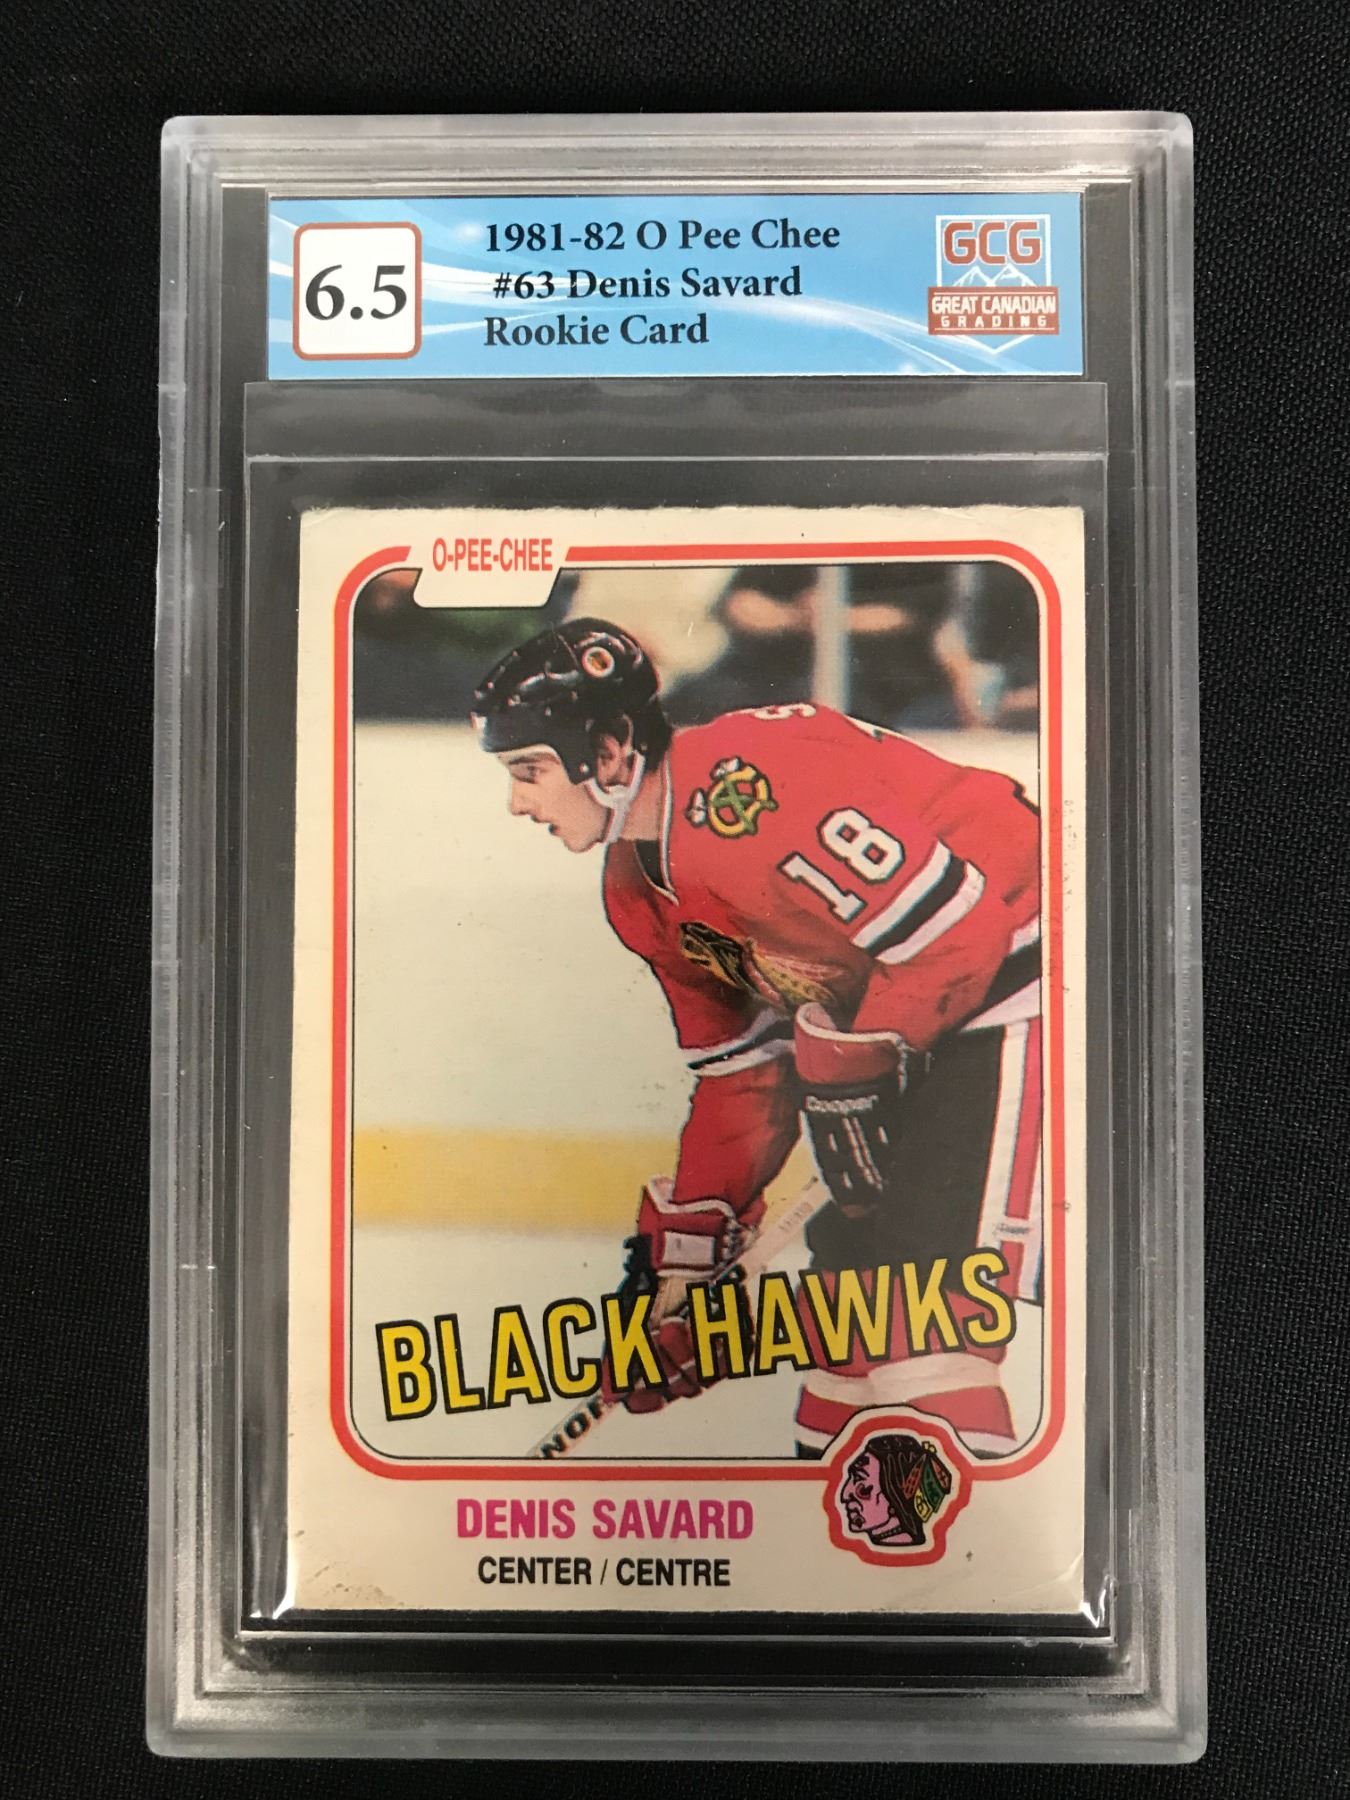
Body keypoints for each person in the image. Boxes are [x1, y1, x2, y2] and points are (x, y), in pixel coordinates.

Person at [472, 617, 1042, 1459]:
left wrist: (855, 1067)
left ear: (612, 750)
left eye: (529, 772)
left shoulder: (751, 793)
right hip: (910, 1022)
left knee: (929, 1321)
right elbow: (745, 1077)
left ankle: (961, 1535)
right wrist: (680, 1275)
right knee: (848, 1340)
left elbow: (959, 935)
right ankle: (839, 1539)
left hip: (1025, 974)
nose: (518, 803)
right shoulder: (638, 894)